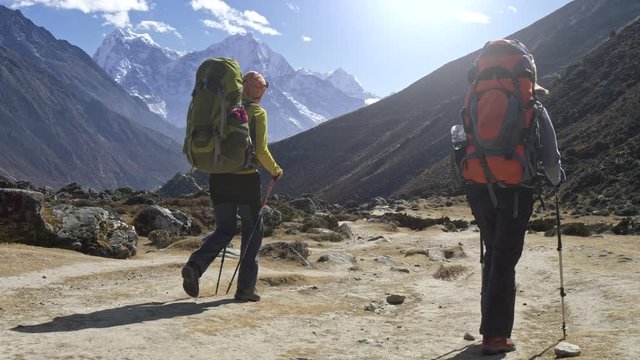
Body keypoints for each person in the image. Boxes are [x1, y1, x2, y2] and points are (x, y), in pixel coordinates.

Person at [459, 40, 563, 355]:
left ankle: (490, 328)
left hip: (478, 186)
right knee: (504, 259)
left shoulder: (475, 100)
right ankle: (495, 336)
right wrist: (557, 181)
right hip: (516, 189)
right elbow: (551, 158)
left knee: (494, 254)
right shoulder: (533, 106)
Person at [181, 70, 283, 302]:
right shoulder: (257, 112)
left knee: (224, 229)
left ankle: (195, 266)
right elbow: (260, 150)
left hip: (218, 178)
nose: (264, 91)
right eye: (263, 86)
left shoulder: (223, 110)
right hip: (245, 181)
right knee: (252, 231)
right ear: (257, 90)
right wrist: (276, 170)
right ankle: (245, 289)